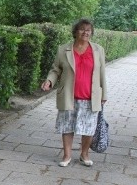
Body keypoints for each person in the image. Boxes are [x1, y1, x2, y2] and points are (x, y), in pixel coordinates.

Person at [40, 18, 108, 167]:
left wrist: (104, 95)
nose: (85, 32)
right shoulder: (63, 49)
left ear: (92, 32)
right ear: (75, 32)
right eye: (82, 29)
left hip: (90, 96)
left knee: (89, 128)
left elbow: (102, 73)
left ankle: (84, 154)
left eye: (88, 30)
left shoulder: (98, 50)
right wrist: (49, 81)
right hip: (68, 96)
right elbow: (55, 69)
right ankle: (67, 156)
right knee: (67, 126)